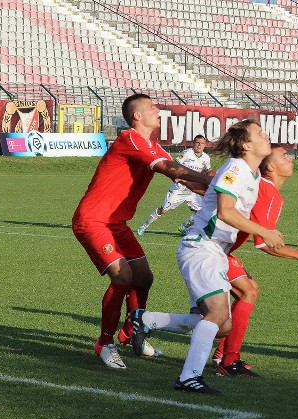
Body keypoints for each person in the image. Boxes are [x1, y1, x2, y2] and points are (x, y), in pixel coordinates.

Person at [130, 119, 285, 395]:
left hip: (214, 251)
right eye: (260, 133)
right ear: (247, 145)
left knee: (222, 325)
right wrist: (265, 232)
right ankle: (189, 377)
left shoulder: (249, 174)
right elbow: (225, 212)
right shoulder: (237, 168)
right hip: (201, 248)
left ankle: (145, 319)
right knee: (217, 315)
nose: (266, 135)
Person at [72, 94, 212, 369]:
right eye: (151, 107)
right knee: (123, 276)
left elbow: (181, 177)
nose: (157, 110)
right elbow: (169, 168)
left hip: (117, 224)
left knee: (144, 277)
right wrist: (210, 178)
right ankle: (105, 342)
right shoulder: (130, 139)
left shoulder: (152, 146)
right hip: (93, 220)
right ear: (137, 116)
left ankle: (131, 332)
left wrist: (218, 189)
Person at [213, 145, 298, 377]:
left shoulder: (263, 185)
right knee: (242, 295)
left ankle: (224, 354)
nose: (289, 158)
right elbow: (263, 242)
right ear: (271, 167)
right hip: (211, 248)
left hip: (220, 249)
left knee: (247, 292)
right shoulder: (268, 191)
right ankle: (228, 360)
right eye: (284, 156)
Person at [137, 135, 211, 236]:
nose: (199, 145)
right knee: (163, 210)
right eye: (197, 142)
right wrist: (179, 178)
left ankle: (184, 227)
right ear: (194, 143)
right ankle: (144, 225)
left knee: (202, 211)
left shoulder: (206, 158)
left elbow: (205, 172)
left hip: (192, 191)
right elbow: (175, 166)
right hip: (179, 189)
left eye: (201, 143)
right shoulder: (187, 153)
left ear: (205, 145)